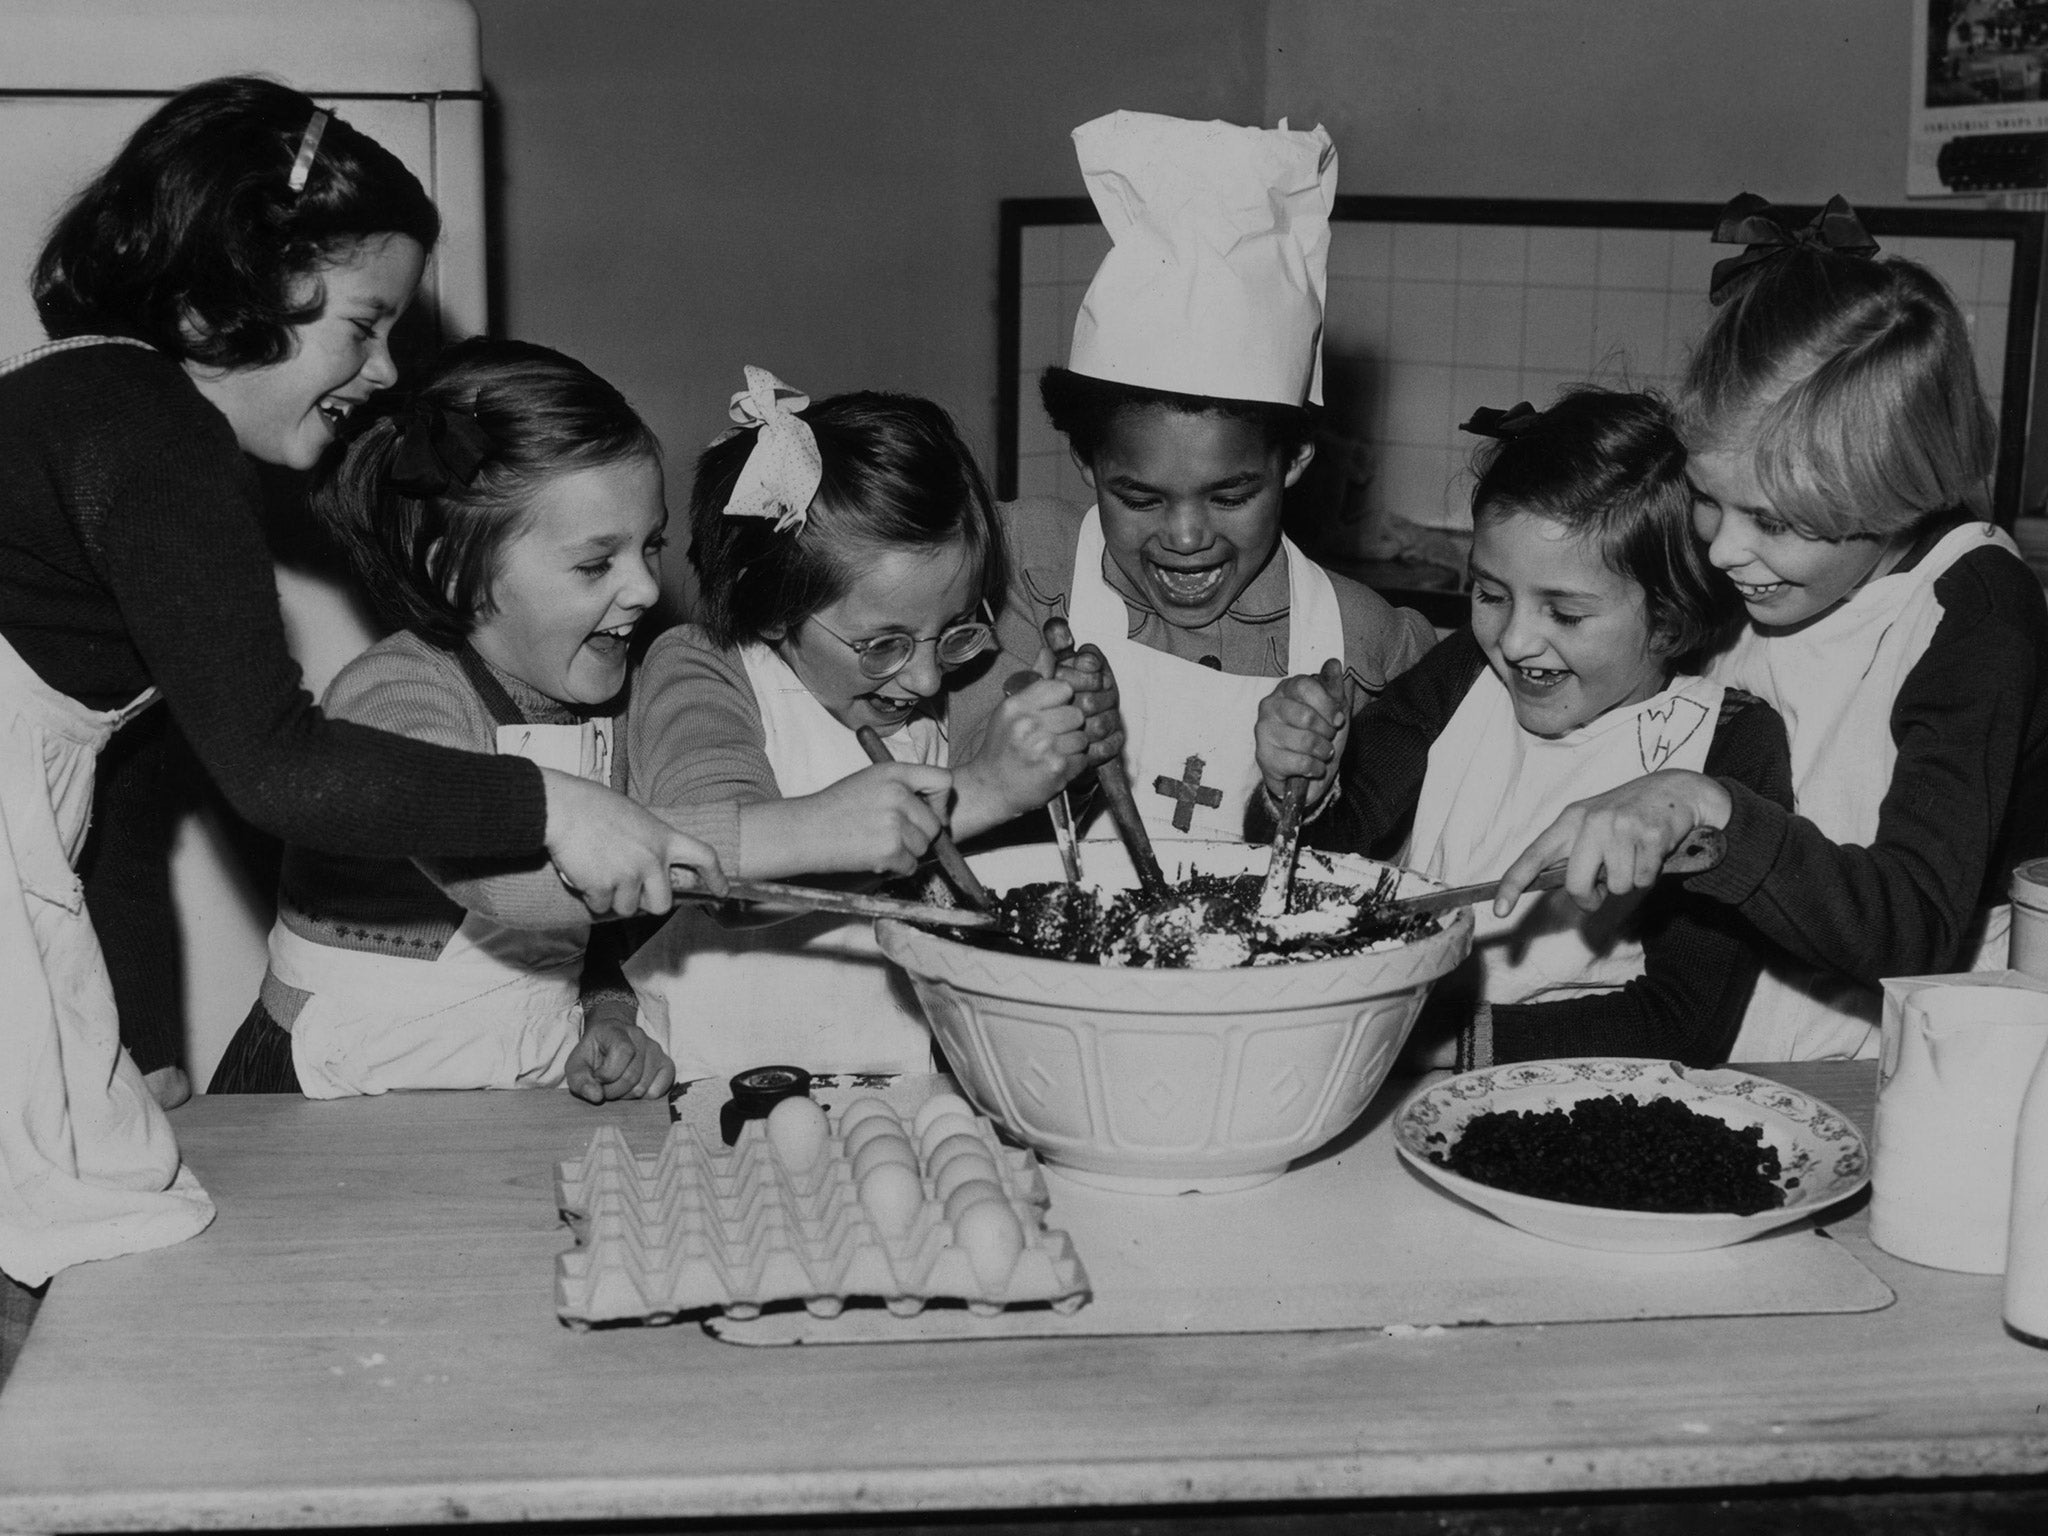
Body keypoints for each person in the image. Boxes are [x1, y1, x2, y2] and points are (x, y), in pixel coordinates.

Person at [0, 79, 715, 1324]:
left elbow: (96, 811)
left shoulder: (91, 402)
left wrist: (132, 1045)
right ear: (233, 289)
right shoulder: (155, 435)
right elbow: (278, 768)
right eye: (362, 325)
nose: (383, 373)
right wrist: (548, 804)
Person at [1493, 194, 2048, 1060]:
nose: (1725, 552)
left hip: (1885, 1066)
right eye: (1712, 500)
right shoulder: (1762, 569)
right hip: (1715, 1041)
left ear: (1894, 495)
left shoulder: (1975, 621)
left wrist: (1707, 804)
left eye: (1779, 524)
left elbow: (1914, 929)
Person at [208, 339, 711, 1100]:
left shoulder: (622, 704)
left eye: (652, 546)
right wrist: (791, 836)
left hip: (516, 1084)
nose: (644, 587)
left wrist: (611, 1017)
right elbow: (512, 886)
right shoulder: (398, 695)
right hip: (339, 1094)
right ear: (455, 571)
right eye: (595, 563)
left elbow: (607, 922)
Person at [1252, 390, 1792, 1069]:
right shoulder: (1464, 673)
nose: (1512, 641)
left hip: (1573, 1098)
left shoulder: (1726, 743)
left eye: (1564, 614)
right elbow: (1328, 847)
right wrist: (1297, 782)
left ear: (1668, 619)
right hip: (1395, 1052)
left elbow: (1685, 1021)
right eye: (1490, 594)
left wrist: (1433, 1043)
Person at [950, 110, 1434, 845]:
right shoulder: (1017, 570)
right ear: (1086, 462)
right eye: (1138, 497)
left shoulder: (1371, 646)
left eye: (1232, 495)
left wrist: (1296, 799)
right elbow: (943, 790)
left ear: (1295, 461)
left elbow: (1397, 863)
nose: (1184, 538)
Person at [626, 370, 1110, 1079]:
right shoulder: (704, 669)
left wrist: (1064, 749)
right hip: (702, 1084)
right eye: (882, 644)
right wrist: (985, 787)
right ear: (773, 608)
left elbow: (998, 855)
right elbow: (710, 866)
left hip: (899, 1081)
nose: (925, 679)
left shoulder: (936, 688)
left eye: (955, 631)